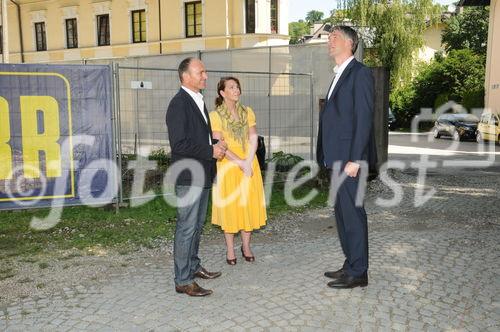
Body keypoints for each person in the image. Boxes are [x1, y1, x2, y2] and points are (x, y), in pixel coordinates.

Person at [316, 26, 375, 289]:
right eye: (329, 37)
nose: (330, 40)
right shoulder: (339, 74)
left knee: (353, 214)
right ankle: (351, 263)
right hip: (336, 159)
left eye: (335, 37)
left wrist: (355, 159)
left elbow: (364, 120)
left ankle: (359, 272)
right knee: (342, 214)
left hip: (349, 161)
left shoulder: (359, 74)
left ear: (350, 44)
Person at [166, 57, 227, 297]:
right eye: (200, 72)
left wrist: (214, 144)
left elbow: (196, 139)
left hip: (202, 174)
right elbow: (179, 143)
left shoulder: (197, 100)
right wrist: (211, 150)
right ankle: (182, 279)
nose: (206, 76)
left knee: (196, 226)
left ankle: (192, 266)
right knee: (186, 228)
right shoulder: (179, 104)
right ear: (186, 76)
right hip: (188, 176)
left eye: (204, 71)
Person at [209, 77, 267, 265]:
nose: (236, 90)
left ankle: (246, 246)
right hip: (228, 164)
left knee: (248, 204)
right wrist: (240, 162)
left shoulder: (247, 111)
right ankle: (229, 249)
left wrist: (248, 161)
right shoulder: (215, 116)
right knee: (231, 206)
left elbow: (253, 137)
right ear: (222, 93)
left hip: (249, 164)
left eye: (237, 87)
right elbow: (219, 143)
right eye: (231, 87)